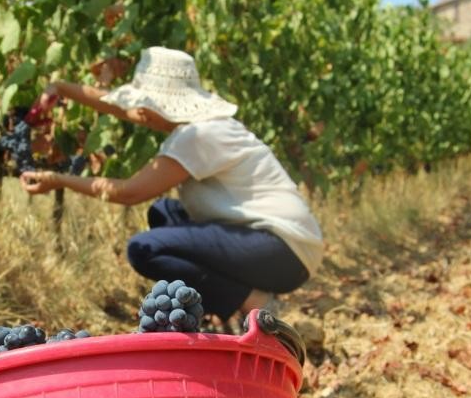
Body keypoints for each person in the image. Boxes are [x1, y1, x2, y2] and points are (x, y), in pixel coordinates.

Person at [20, 47, 323, 322]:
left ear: (162, 103)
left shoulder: (198, 136)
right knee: (165, 212)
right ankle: (229, 307)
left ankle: (255, 303)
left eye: (144, 102)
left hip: (284, 252)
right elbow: (122, 108)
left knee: (144, 249)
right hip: (279, 246)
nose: (137, 111)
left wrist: (59, 180)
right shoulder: (201, 124)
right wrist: (61, 89)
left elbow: (128, 193)